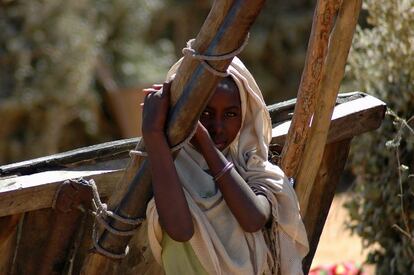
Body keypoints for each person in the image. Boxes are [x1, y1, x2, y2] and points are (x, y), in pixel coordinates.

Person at [141, 57, 308, 275]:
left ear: (245, 114)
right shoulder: (169, 173)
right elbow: (180, 230)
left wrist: (205, 143)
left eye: (230, 114)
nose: (217, 127)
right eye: (205, 114)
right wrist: (153, 134)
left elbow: (254, 219)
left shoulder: (253, 169)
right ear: (181, 112)